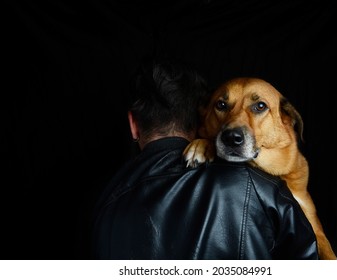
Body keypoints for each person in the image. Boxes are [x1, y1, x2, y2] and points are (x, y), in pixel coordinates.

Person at [90, 57, 319, 260]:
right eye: (223, 107)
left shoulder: (102, 201)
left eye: (258, 107)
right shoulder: (264, 189)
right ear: (202, 119)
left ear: (133, 125)